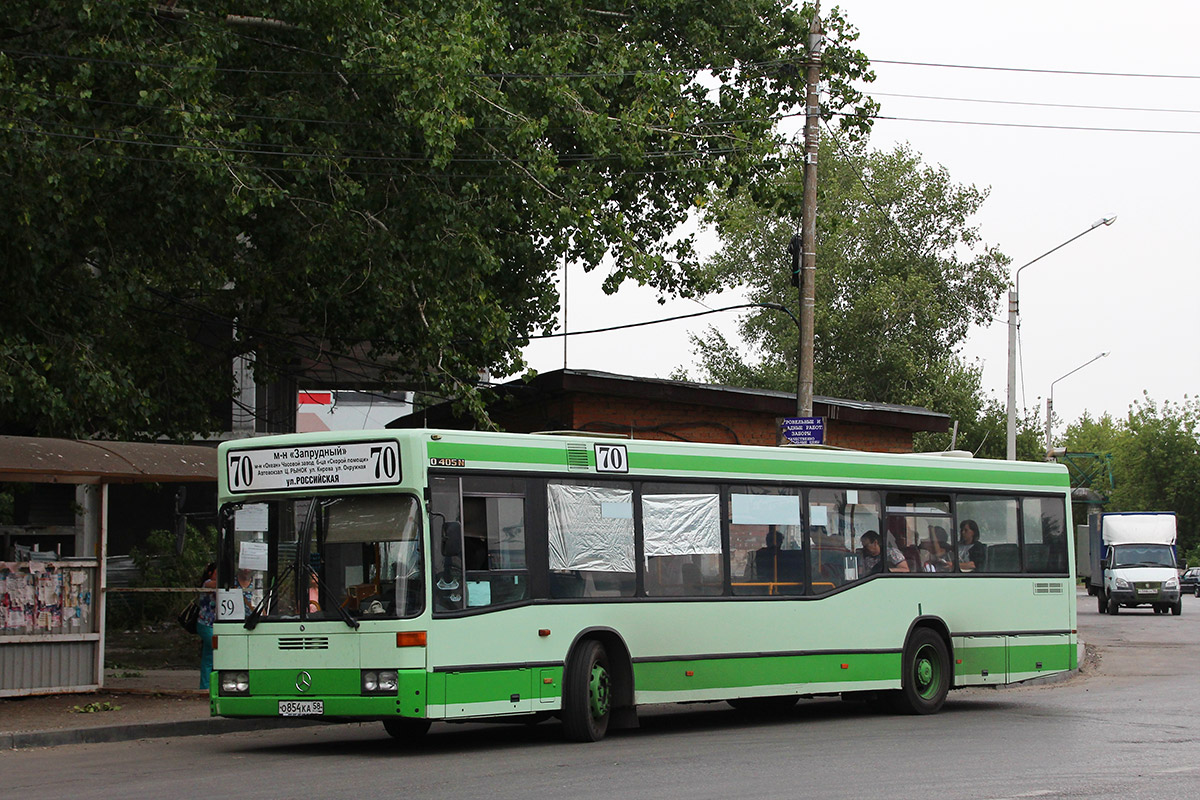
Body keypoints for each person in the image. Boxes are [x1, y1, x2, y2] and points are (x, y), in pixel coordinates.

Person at [197, 562, 217, 690]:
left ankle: (205, 686)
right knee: (219, 649)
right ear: (210, 573)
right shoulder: (207, 583)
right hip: (205, 623)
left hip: (214, 624)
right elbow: (216, 584)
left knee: (208, 656)